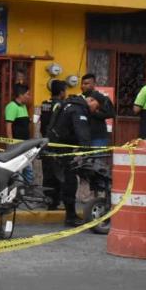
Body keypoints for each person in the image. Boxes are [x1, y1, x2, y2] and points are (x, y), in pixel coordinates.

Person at [46, 91, 101, 226]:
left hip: (55, 147)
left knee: (61, 180)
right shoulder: (78, 110)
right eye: (97, 106)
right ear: (91, 101)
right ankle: (70, 216)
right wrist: (86, 151)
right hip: (63, 150)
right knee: (70, 182)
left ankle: (56, 206)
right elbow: (82, 133)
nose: (96, 110)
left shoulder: (68, 104)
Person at [39, 80, 67, 210]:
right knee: (57, 174)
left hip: (44, 142)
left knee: (47, 173)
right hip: (55, 143)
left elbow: (41, 123)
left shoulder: (45, 104)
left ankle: (47, 199)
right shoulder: (60, 105)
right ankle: (55, 201)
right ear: (61, 92)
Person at [80, 73, 115, 147]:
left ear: (94, 84)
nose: (83, 86)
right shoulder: (80, 98)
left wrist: (94, 112)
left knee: (97, 158)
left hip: (98, 138)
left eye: (86, 84)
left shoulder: (100, 97)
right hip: (85, 137)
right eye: (82, 84)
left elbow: (111, 113)